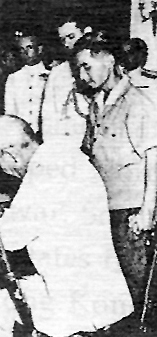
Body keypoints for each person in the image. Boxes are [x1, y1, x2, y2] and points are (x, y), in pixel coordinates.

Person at [0, 115, 133, 337]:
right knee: (6, 296)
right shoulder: (69, 159)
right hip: (103, 293)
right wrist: (8, 214)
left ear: (10, 155)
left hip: (75, 303)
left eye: (2, 164)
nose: (7, 171)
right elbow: (49, 214)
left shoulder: (41, 175)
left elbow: (9, 239)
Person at [72, 31, 157, 314]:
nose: (83, 75)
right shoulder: (98, 104)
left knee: (136, 288)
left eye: (87, 66)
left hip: (130, 211)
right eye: (79, 69)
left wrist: (146, 212)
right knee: (111, 286)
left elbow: (153, 157)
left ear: (108, 60)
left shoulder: (137, 102)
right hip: (104, 207)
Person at [40, 14, 92, 147]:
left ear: (86, 33)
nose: (67, 44)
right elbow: (49, 117)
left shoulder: (101, 69)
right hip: (65, 148)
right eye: (63, 40)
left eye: (71, 37)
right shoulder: (57, 74)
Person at [4, 33, 49, 134]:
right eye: (21, 49)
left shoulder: (51, 74)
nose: (25, 52)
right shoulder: (13, 78)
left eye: (30, 48)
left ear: (40, 49)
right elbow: (10, 112)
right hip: (23, 134)